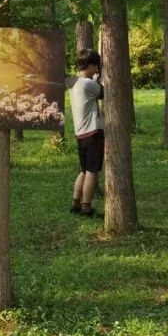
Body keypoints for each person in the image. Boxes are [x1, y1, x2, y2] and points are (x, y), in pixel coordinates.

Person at [68, 50, 104, 217]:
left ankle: (75, 203)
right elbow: (103, 93)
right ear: (89, 65)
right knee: (92, 171)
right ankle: (86, 207)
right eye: (96, 65)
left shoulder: (73, 82)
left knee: (83, 170)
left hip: (80, 133)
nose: (97, 69)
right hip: (92, 132)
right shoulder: (88, 84)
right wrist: (101, 80)